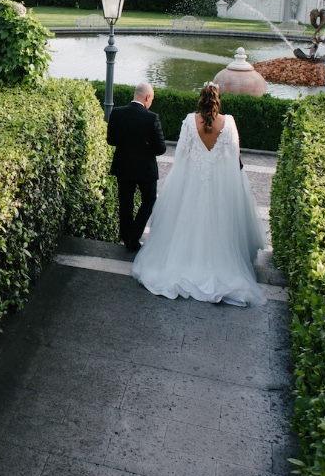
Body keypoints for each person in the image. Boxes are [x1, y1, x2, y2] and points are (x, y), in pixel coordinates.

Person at [131, 82, 266, 307]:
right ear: (217, 100)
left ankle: (183, 263)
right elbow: (235, 158)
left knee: (186, 224)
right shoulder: (229, 123)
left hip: (193, 182)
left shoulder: (189, 121)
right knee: (219, 226)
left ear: (200, 99)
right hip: (219, 187)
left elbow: (182, 155)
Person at [106, 82, 167, 251]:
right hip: (145, 169)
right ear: (147, 97)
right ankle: (134, 236)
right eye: (151, 99)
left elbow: (111, 140)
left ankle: (126, 237)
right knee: (149, 201)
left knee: (125, 202)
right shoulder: (151, 118)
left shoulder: (117, 113)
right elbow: (161, 148)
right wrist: (146, 146)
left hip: (123, 166)